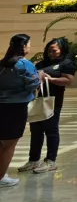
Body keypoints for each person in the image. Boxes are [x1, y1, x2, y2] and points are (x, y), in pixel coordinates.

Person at [19, 37, 76, 175]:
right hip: (37, 100)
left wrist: (51, 79)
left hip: (53, 102)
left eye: (54, 50)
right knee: (36, 130)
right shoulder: (41, 63)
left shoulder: (66, 63)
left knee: (51, 130)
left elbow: (68, 81)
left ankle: (51, 160)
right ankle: (34, 159)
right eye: (49, 50)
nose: (51, 53)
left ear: (62, 50)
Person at [0, 34, 43, 189]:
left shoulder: (2, 64)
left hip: (1, 106)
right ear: (24, 47)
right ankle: (1, 178)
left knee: (1, 142)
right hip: (16, 108)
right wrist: (40, 76)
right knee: (10, 144)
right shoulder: (25, 65)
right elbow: (32, 85)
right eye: (29, 44)